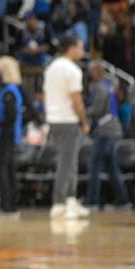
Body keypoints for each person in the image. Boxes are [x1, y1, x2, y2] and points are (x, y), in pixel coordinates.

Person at [43, 35, 91, 221]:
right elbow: (77, 101)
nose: (82, 51)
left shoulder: (51, 68)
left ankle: (71, 201)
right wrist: (84, 121)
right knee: (66, 163)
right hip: (67, 120)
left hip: (54, 119)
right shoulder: (72, 70)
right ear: (70, 48)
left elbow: (47, 94)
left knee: (70, 161)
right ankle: (59, 203)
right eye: (80, 47)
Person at [83, 59, 130, 210]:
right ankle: (123, 199)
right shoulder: (107, 86)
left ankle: (93, 200)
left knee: (95, 165)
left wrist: (81, 112)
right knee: (111, 166)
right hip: (112, 129)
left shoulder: (99, 88)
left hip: (105, 130)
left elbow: (96, 110)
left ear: (96, 72)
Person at [0, 56, 26, 216]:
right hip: (8, 135)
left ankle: (7, 205)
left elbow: (10, 116)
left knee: (3, 170)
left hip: (6, 135)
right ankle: (10, 205)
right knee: (8, 169)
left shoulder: (9, 92)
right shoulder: (12, 90)